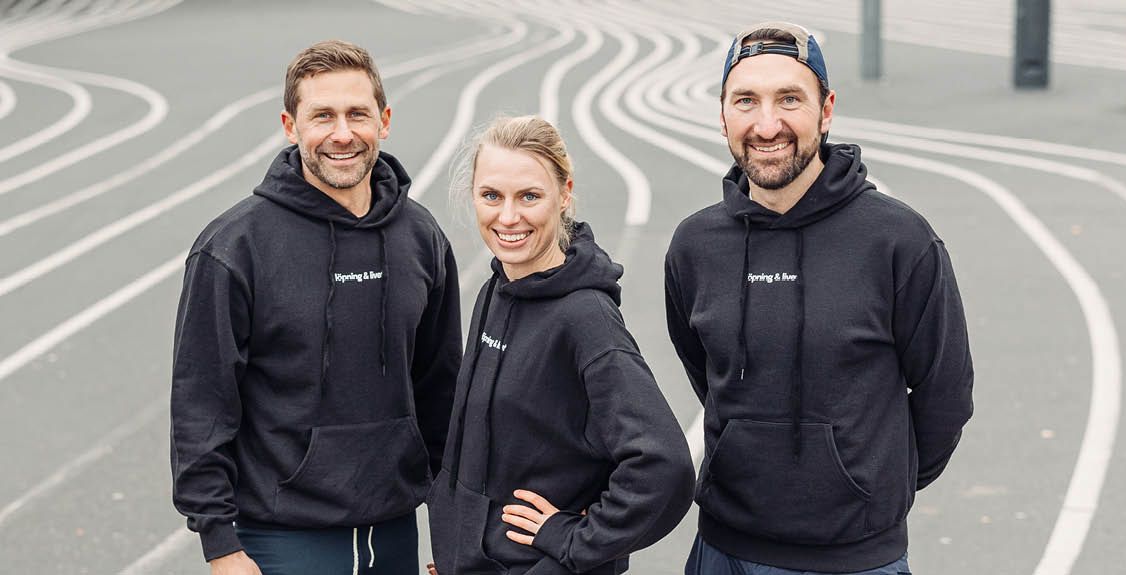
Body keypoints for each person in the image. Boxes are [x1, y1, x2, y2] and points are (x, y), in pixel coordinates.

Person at [664, 22, 974, 575]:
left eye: (789, 99)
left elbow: (944, 396)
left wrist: (870, 486)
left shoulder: (899, 241)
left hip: (856, 559)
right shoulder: (695, 246)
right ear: (723, 114)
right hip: (723, 550)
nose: (767, 124)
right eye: (746, 100)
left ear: (826, 110)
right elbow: (705, 370)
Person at [171, 40, 461, 575]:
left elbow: (442, 391)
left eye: (358, 114)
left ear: (385, 120)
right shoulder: (234, 247)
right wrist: (220, 544)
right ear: (290, 125)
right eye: (322, 116)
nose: (343, 134)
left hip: (395, 534)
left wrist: (452, 532)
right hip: (281, 540)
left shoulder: (422, 237)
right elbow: (202, 403)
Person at [427, 115, 695, 575]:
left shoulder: (585, 319)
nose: (507, 217)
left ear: (564, 193)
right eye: (491, 196)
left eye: (529, 196)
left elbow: (663, 467)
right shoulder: (496, 290)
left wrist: (573, 540)